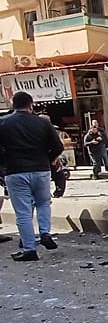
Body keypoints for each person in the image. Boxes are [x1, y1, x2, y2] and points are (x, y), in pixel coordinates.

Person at [0, 92, 63, 260]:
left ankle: (29, 249)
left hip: (15, 172)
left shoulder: (3, 123)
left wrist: (4, 165)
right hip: (41, 170)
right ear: (31, 105)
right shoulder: (42, 122)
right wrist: (48, 159)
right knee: (43, 203)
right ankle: (44, 233)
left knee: (23, 212)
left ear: (13, 105)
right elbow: (57, 146)